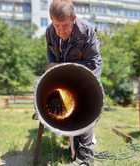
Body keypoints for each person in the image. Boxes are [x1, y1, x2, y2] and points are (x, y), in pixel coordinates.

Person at [45, 0, 102, 165]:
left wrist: (66, 69)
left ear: (74, 19)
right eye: (56, 25)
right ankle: (75, 146)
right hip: (64, 78)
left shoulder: (87, 31)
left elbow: (93, 63)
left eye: (65, 25)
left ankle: (85, 160)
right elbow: (52, 59)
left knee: (85, 106)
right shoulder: (49, 32)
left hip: (86, 77)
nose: (60, 30)